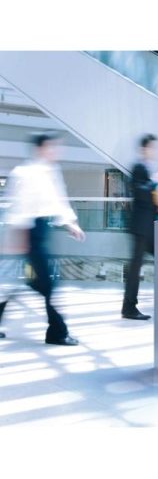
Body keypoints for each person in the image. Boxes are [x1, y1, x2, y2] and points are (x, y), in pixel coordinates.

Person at [0, 131, 85, 346]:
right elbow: (19, 206)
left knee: (26, 283)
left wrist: (69, 224)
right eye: (52, 147)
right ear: (40, 148)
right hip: (28, 232)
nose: (56, 151)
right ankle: (57, 332)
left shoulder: (50, 171)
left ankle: (56, 330)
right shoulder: (26, 172)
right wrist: (18, 237)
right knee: (48, 284)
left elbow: (57, 201)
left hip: (39, 230)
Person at [122, 134, 158, 321]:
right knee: (135, 269)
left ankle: (130, 307)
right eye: (152, 147)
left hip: (148, 227)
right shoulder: (139, 167)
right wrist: (156, 185)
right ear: (144, 148)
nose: (155, 151)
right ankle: (129, 308)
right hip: (140, 227)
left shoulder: (148, 168)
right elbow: (140, 192)